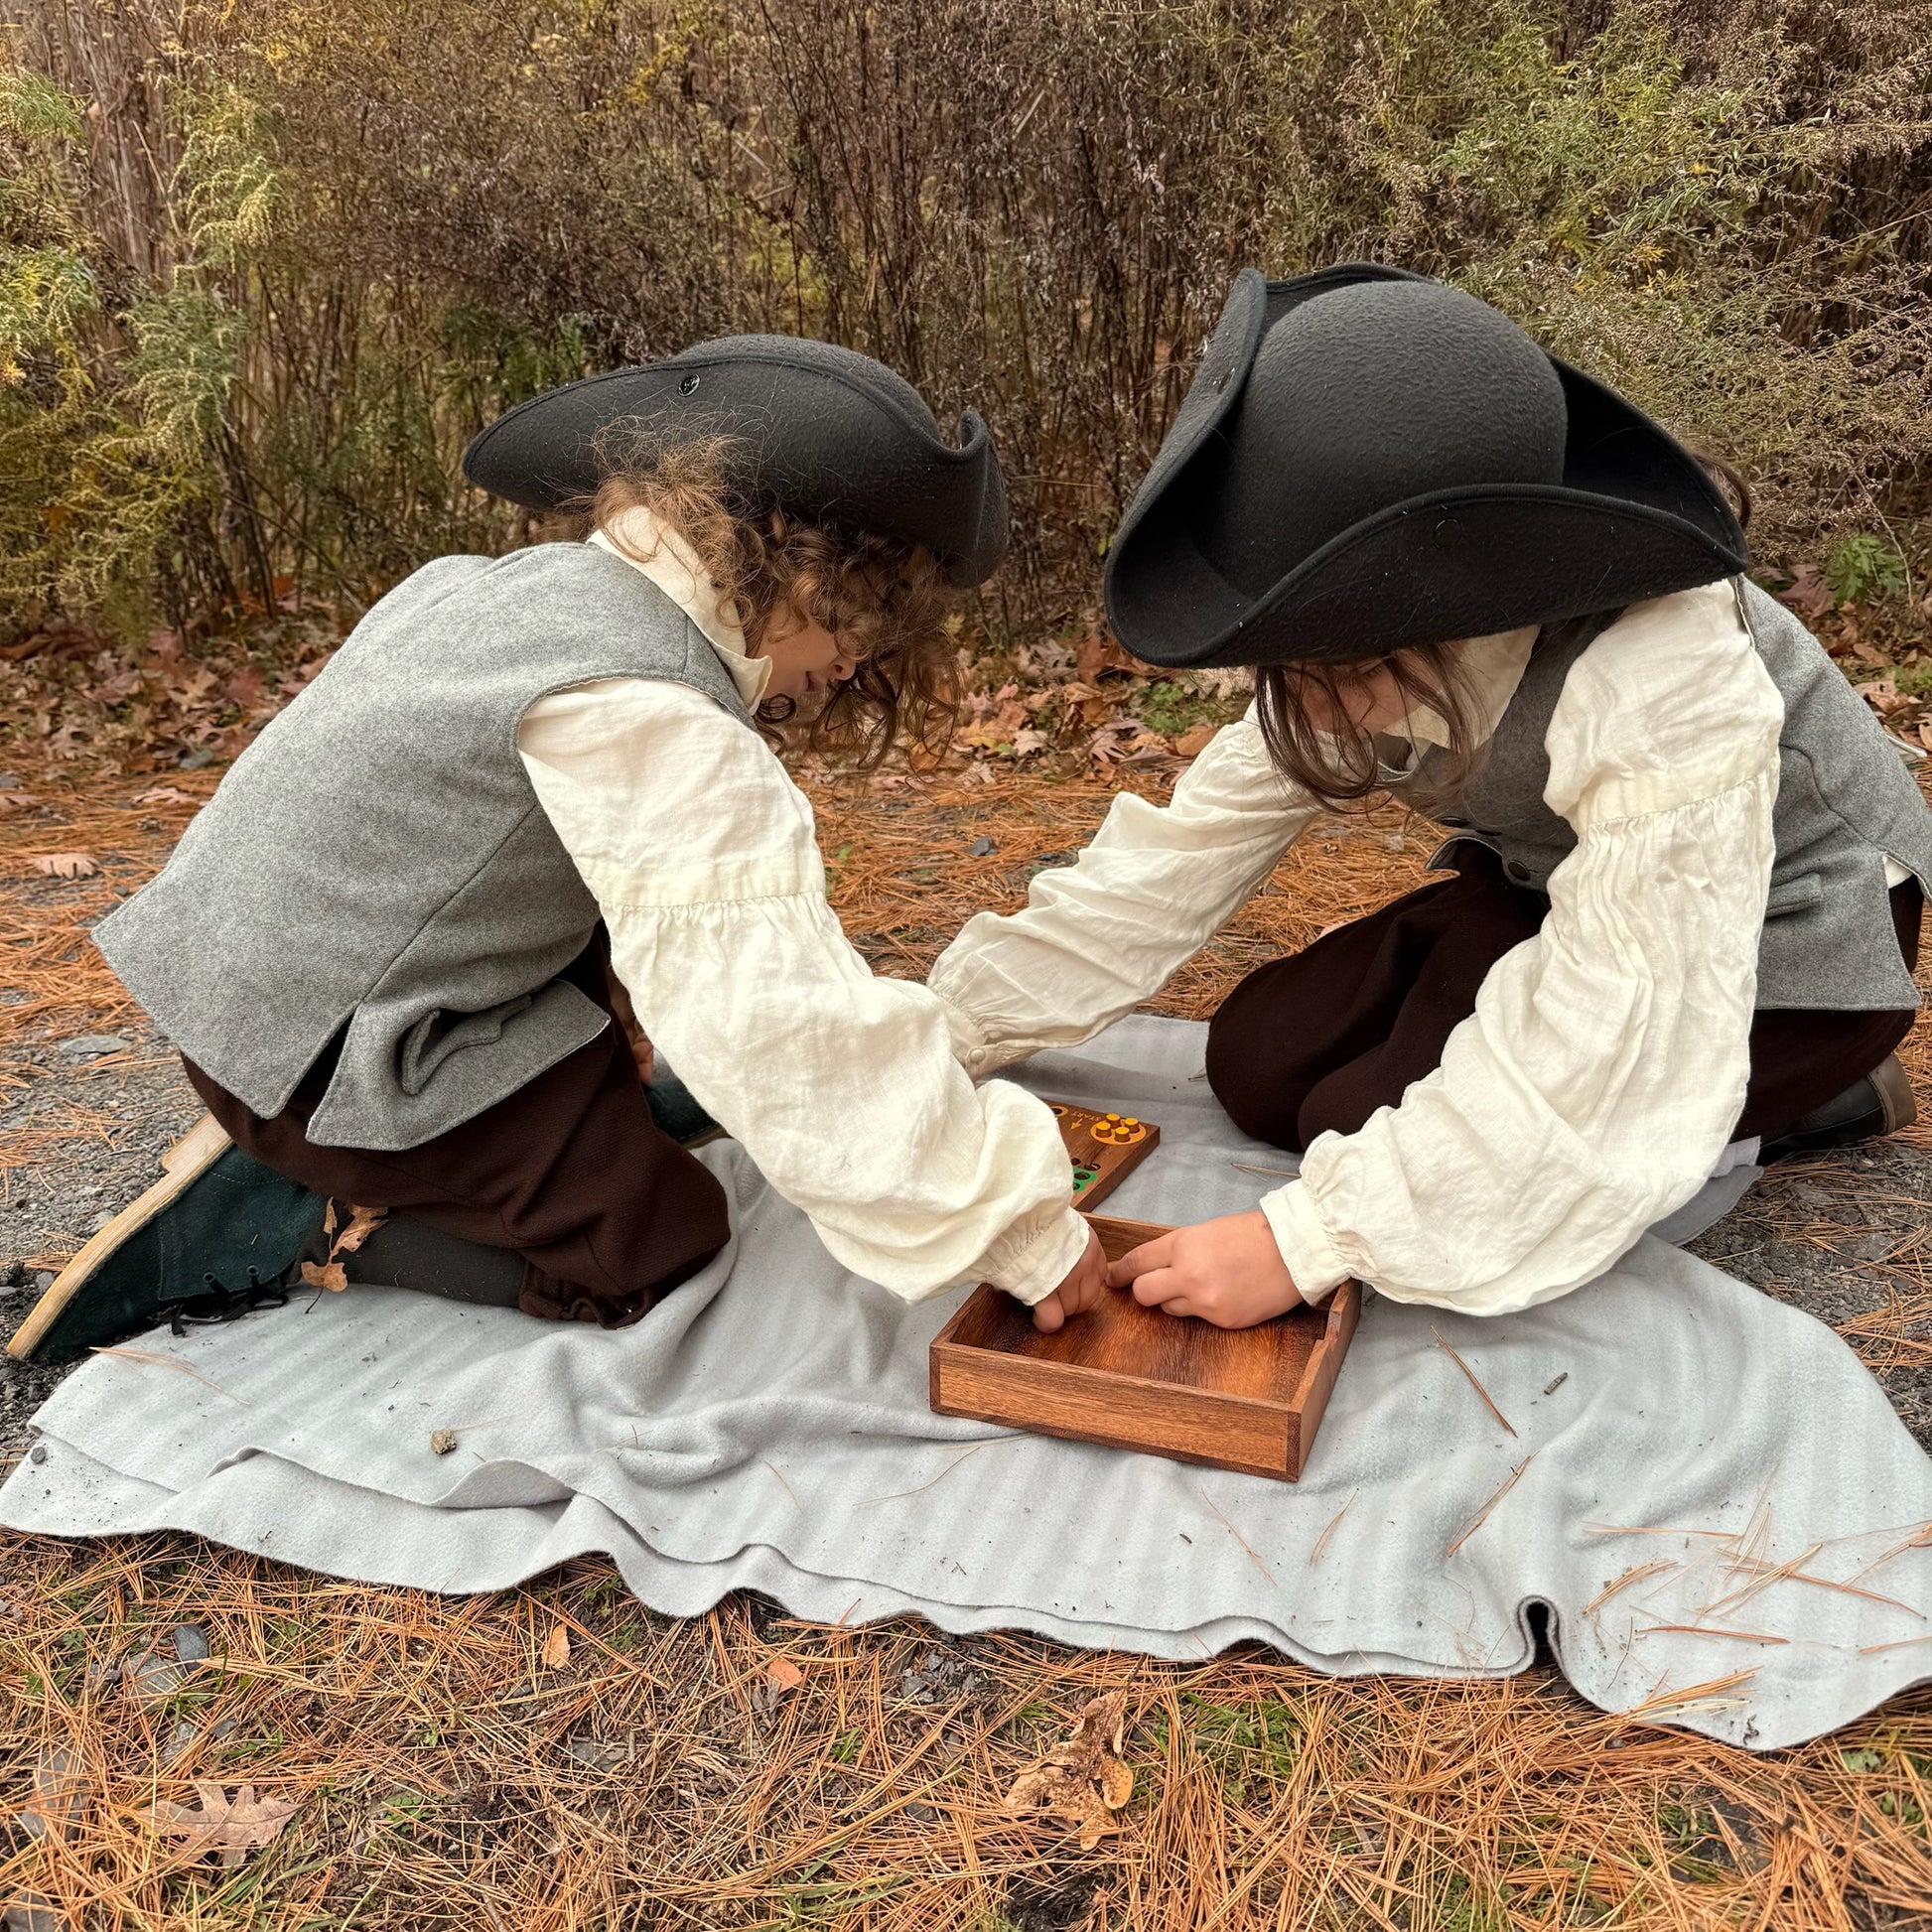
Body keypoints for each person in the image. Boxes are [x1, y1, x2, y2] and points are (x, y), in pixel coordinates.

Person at [11, 337, 1108, 1365]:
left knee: (642, 1094)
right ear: (803, 561)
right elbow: (774, 1021)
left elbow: (480, 860)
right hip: (317, 1060)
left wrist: (615, 1012)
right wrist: (1009, 1228)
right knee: (655, 1234)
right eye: (864, 620)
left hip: (257, 990)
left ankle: (374, 1145)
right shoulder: (646, 705)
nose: (855, 664)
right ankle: (324, 1216)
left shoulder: (492, 591)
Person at [928, 264, 1931, 1330]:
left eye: (1351, 673)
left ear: (1471, 602)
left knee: (1362, 1124)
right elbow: (1169, 864)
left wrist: (1304, 1241)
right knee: (1259, 1061)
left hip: (1780, 939)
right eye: (1295, 670)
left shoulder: (1664, 666)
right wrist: (948, 1026)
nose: (1321, 714)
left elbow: (1628, 1004)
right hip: (1556, 884)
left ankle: (1793, 1099)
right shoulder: (1338, 649)